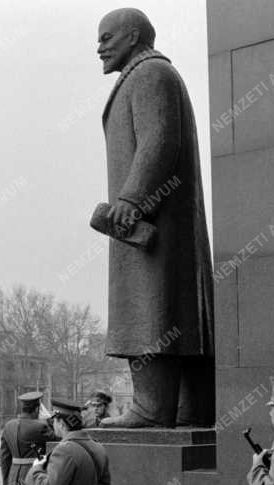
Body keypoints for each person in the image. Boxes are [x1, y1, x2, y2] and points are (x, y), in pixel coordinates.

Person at [95, 8, 214, 429]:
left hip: (150, 224)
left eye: (108, 37)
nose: (100, 47)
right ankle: (185, 408)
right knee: (169, 309)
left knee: (150, 308)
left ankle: (151, 407)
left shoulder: (149, 75)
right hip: (162, 221)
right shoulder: (150, 75)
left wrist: (132, 198)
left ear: (133, 36)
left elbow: (158, 140)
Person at [0, 391, 56, 485]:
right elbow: (57, 439)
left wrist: (6, 480)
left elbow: (4, 456)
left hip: (14, 473)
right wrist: (49, 420)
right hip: (32, 473)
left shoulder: (9, 426)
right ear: (37, 409)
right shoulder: (39, 427)